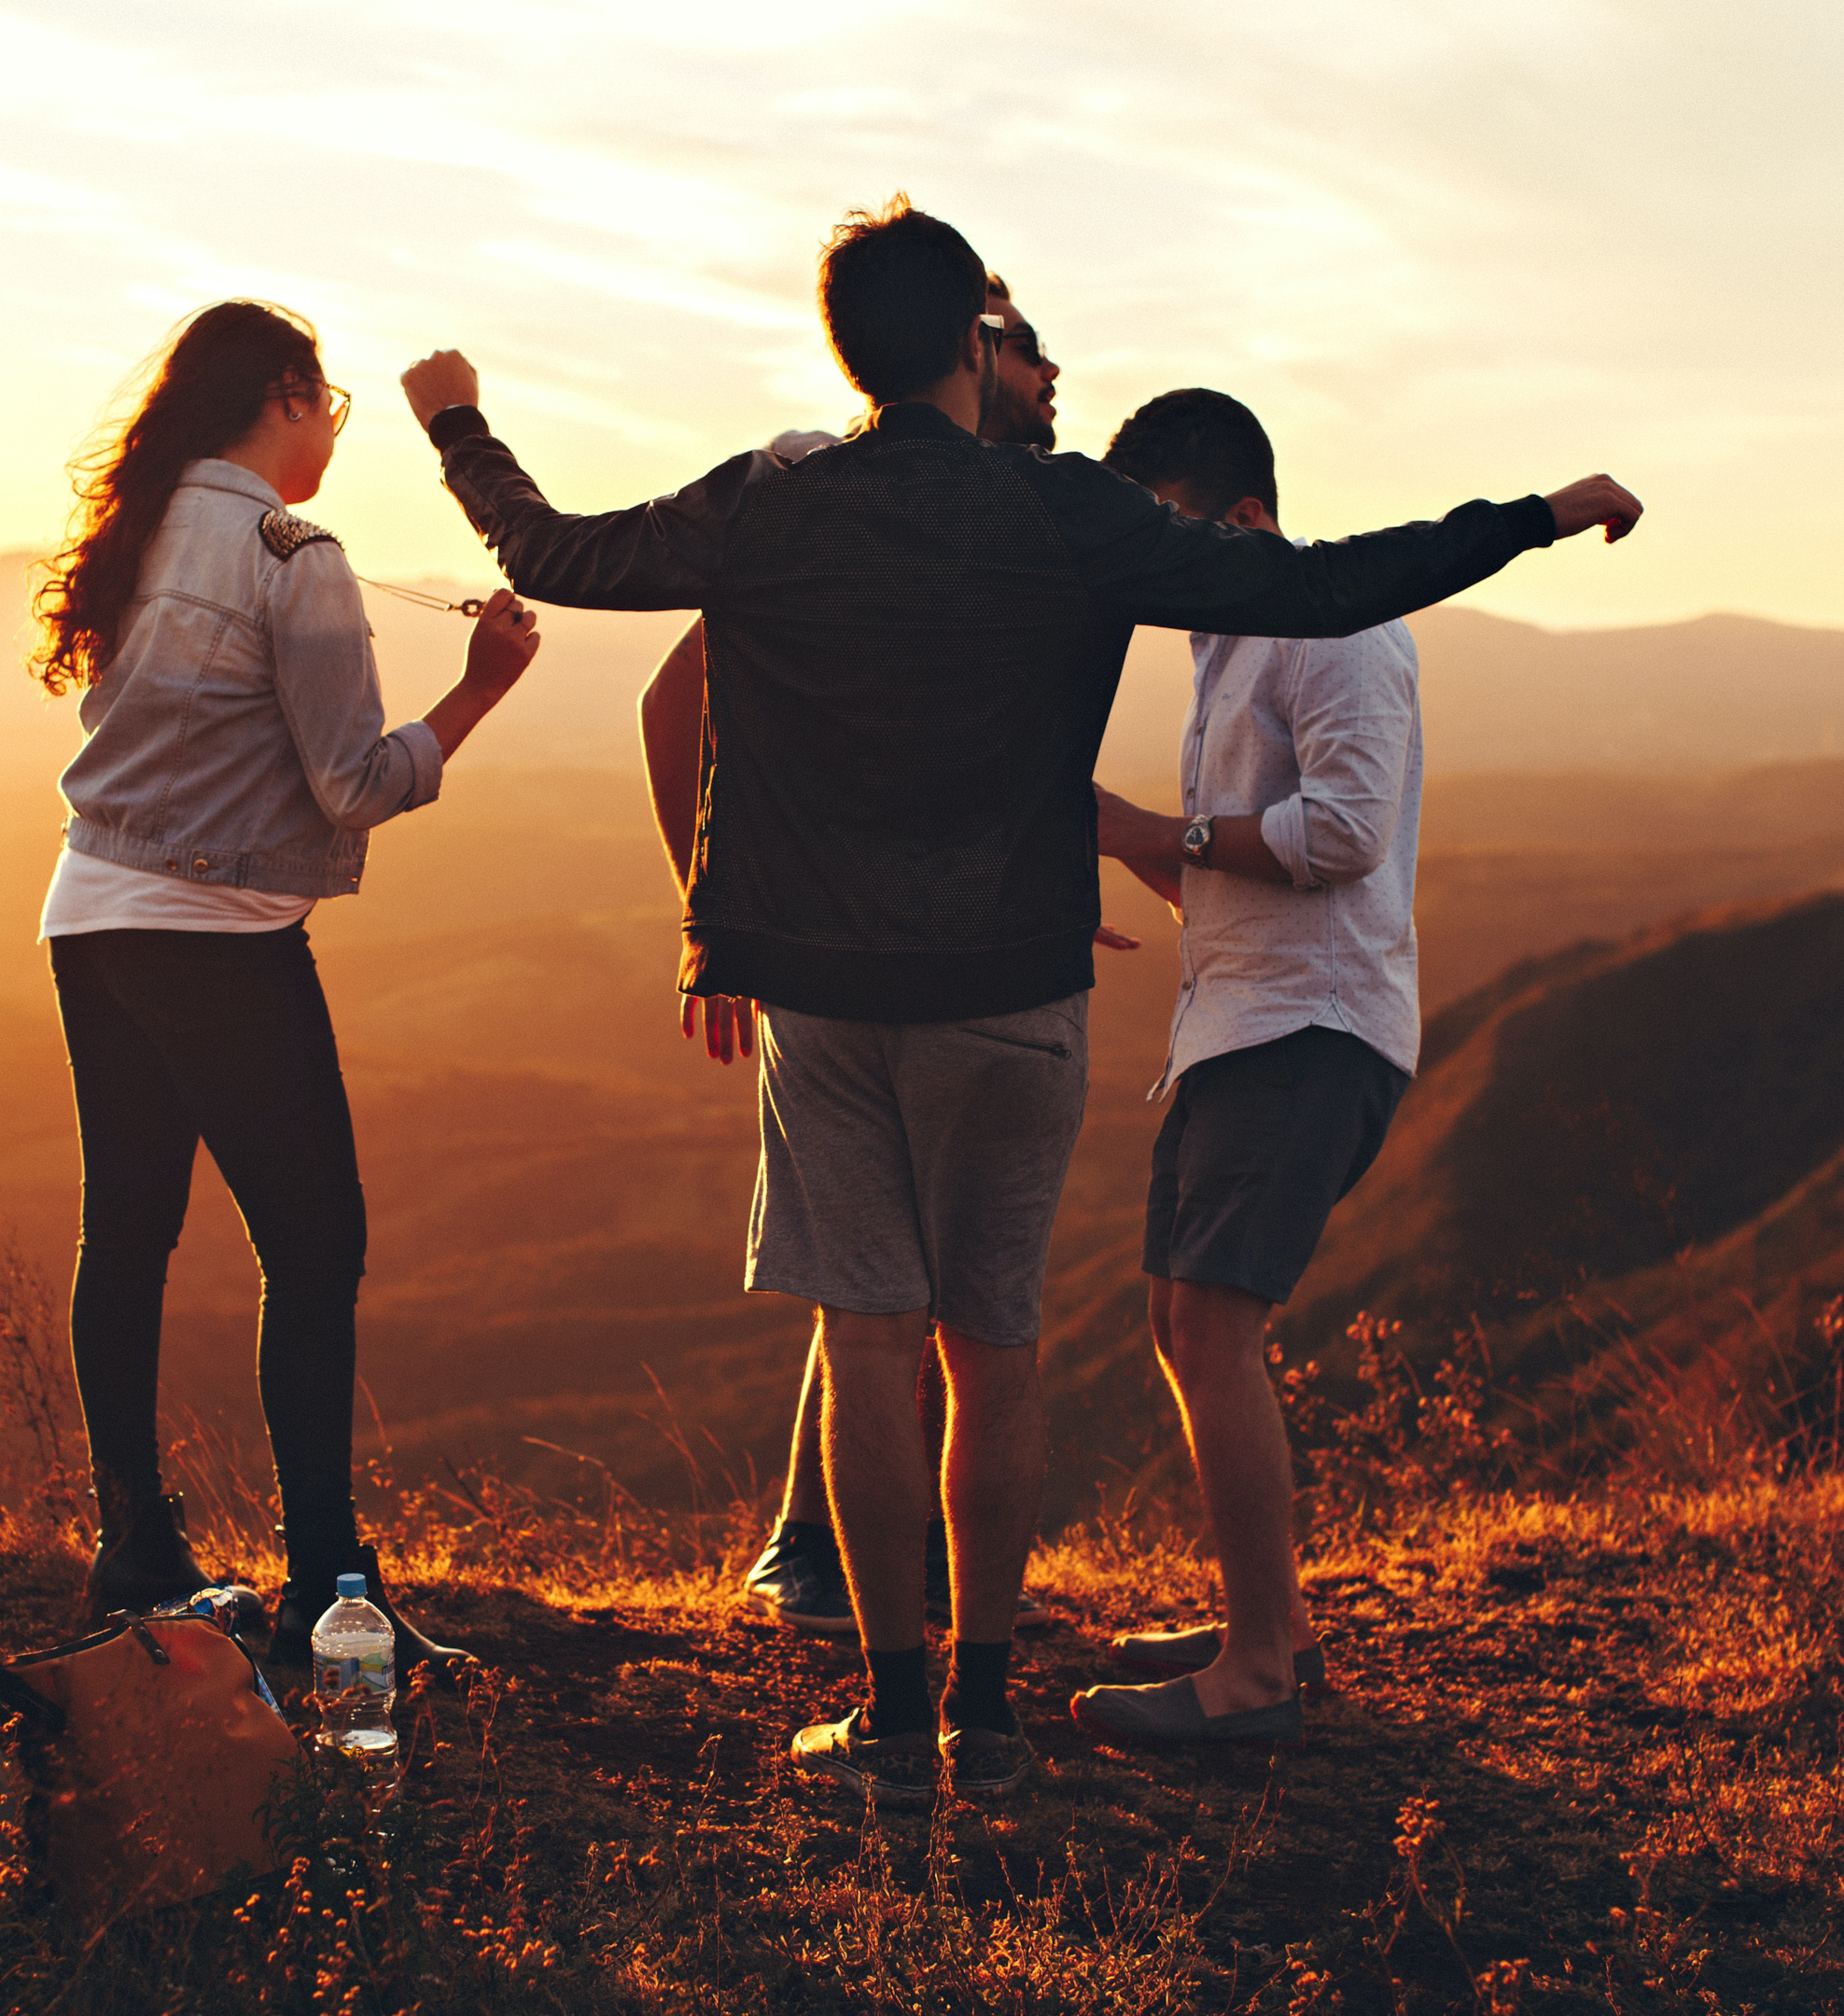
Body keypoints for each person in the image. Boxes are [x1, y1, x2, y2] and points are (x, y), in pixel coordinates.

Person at [400, 196, 1640, 1806]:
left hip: (831, 994)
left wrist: (458, 428)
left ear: (852, 348)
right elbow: (1329, 585)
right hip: (1016, 989)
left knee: (869, 1347)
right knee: (998, 1353)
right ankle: (987, 1715)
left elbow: (557, 554)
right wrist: (1532, 515)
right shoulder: (1062, 514)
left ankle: (895, 1722)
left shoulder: (772, 506)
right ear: (976, 348)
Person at [31, 299, 541, 1675]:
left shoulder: (141, 530)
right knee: (315, 1249)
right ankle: (332, 1590)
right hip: (220, 934)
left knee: (128, 1233)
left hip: (91, 913)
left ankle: (134, 1549)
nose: (333, 436)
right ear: (285, 395)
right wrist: (483, 687)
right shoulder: (292, 555)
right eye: (331, 408)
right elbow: (355, 783)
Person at [1069, 387, 1525, 1743]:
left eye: (1169, 531)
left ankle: (1260, 1674)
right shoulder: (1230, 645)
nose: (1152, 566)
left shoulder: (1338, 636)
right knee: (1179, 1321)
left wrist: (1159, 825)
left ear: (1248, 516)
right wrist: (1117, 838)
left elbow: (1339, 838)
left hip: (1312, 1029)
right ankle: (1269, 1619)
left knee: (1214, 1324)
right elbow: (1233, 861)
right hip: (1242, 1018)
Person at [676, 281, 1078, 1640]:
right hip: (841, 961)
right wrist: (717, 917)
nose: (1046, 367)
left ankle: (888, 1604)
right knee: (886, 1300)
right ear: (963, 356)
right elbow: (676, 698)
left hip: (947, 954)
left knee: (896, 1293)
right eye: (1019, 343)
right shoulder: (817, 496)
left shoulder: (1004, 517)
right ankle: (824, 1559)